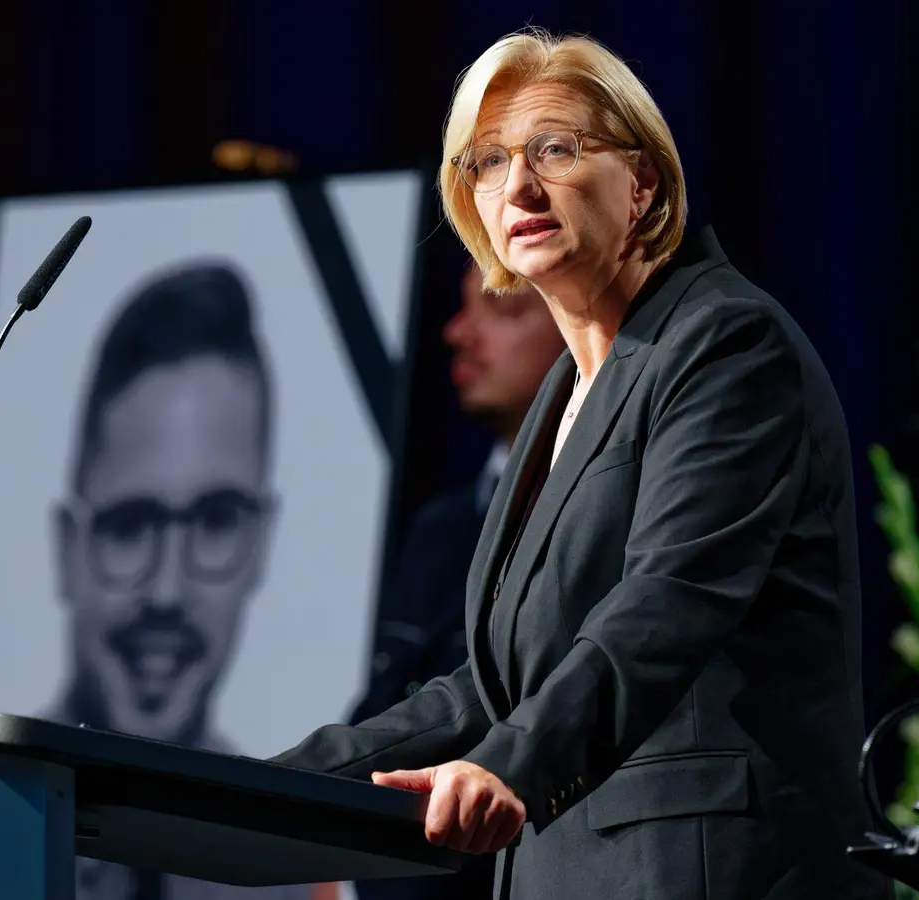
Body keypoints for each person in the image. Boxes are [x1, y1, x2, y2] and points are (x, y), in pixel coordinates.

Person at [271, 28, 887, 900]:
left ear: (643, 183)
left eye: (554, 149)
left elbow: (667, 604)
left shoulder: (726, 342)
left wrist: (511, 767)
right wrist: (271, 787)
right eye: (488, 162)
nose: (518, 186)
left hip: (706, 869)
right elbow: (490, 690)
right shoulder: (564, 393)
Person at [41, 260, 315, 900]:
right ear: (68, 547)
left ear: (260, 543)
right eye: (131, 526)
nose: (166, 590)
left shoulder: (284, 872)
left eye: (216, 521)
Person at [346, 262, 564, 900]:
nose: (458, 332)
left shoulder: (609, 516)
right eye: (465, 307)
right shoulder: (438, 527)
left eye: (502, 309)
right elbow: (388, 702)